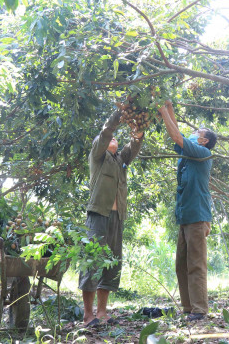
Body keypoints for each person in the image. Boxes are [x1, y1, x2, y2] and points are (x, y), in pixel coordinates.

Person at [79, 108, 144, 326]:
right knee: (92, 262)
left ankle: (102, 312)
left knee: (112, 263)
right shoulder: (98, 157)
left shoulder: (120, 160)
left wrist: (139, 129)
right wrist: (119, 114)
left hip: (117, 217)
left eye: (116, 138)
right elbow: (107, 131)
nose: (114, 139)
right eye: (110, 138)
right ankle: (88, 315)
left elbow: (134, 146)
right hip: (98, 214)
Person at [158, 100, 217, 321]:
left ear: (203, 140)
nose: (192, 134)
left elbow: (176, 136)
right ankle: (188, 307)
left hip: (197, 217)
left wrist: (163, 112)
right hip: (185, 216)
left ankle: (200, 309)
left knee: (196, 263)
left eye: (196, 132)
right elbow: (179, 133)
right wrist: (168, 106)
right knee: (181, 264)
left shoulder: (201, 153)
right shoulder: (188, 154)